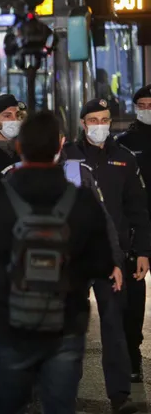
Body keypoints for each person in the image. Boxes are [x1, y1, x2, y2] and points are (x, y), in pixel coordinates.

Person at [0, 111, 114, 414]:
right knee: (59, 407)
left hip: (9, 322)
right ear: (60, 146)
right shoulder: (82, 200)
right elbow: (101, 263)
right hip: (65, 323)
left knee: (8, 406)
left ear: (19, 147)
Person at [63, 98, 150, 413]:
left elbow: (137, 209)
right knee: (71, 328)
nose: (100, 126)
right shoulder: (67, 157)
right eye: (94, 120)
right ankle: (65, 392)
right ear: (83, 123)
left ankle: (120, 395)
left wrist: (142, 251)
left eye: (105, 120)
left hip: (112, 256)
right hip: (73, 258)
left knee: (115, 325)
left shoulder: (124, 159)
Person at [115, 85, 151, 382]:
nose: (146, 109)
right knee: (134, 294)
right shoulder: (124, 144)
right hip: (137, 227)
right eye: (142, 104)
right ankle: (132, 354)